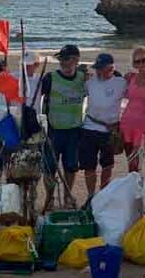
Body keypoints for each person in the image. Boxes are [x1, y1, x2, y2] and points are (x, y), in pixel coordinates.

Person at [41, 45, 87, 203]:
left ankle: (68, 194)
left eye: (68, 60)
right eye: (62, 60)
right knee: (49, 168)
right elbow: (30, 91)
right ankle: (49, 197)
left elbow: (101, 85)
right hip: (53, 130)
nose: (64, 64)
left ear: (76, 60)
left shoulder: (83, 78)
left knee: (71, 166)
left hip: (74, 130)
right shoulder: (50, 78)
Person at [80, 53, 127, 196]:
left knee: (108, 165)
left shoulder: (121, 82)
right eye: (98, 69)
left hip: (110, 131)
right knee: (89, 166)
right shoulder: (90, 82)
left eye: (103, 68)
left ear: (112, 67)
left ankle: (103, 195)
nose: (99, 72)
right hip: (90, 127)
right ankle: (90, 196)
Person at [121, 47, 145, 172]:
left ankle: (137, 185)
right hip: (127, 122)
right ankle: (132, 185)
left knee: (138, 159)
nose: (141, 64)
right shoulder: (129, 78)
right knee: (130, 160)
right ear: (134, 64)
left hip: (144, 125)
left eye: (144, 60)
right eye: (137, 62)